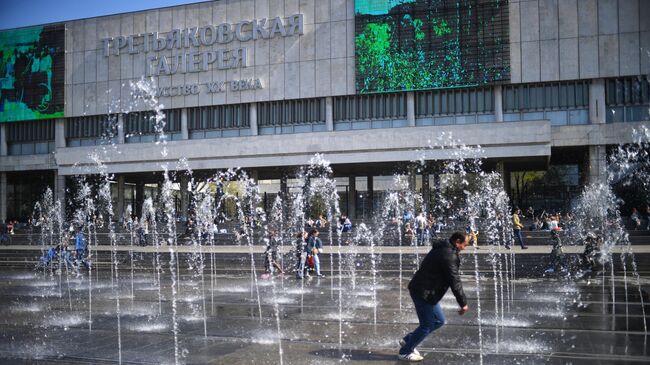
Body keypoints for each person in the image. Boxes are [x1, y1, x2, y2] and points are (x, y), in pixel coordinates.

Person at [397, 232, 470, 361]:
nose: (465, 247)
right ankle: (405, 352)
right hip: (423, 292)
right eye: (465, 244)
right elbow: (455, 281)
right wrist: (463, 303)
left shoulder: (443, 249)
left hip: (427, 292)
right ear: (458, 241)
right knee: (427, 325)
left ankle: (408, 340)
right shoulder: (448, 255)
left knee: (439, 321)